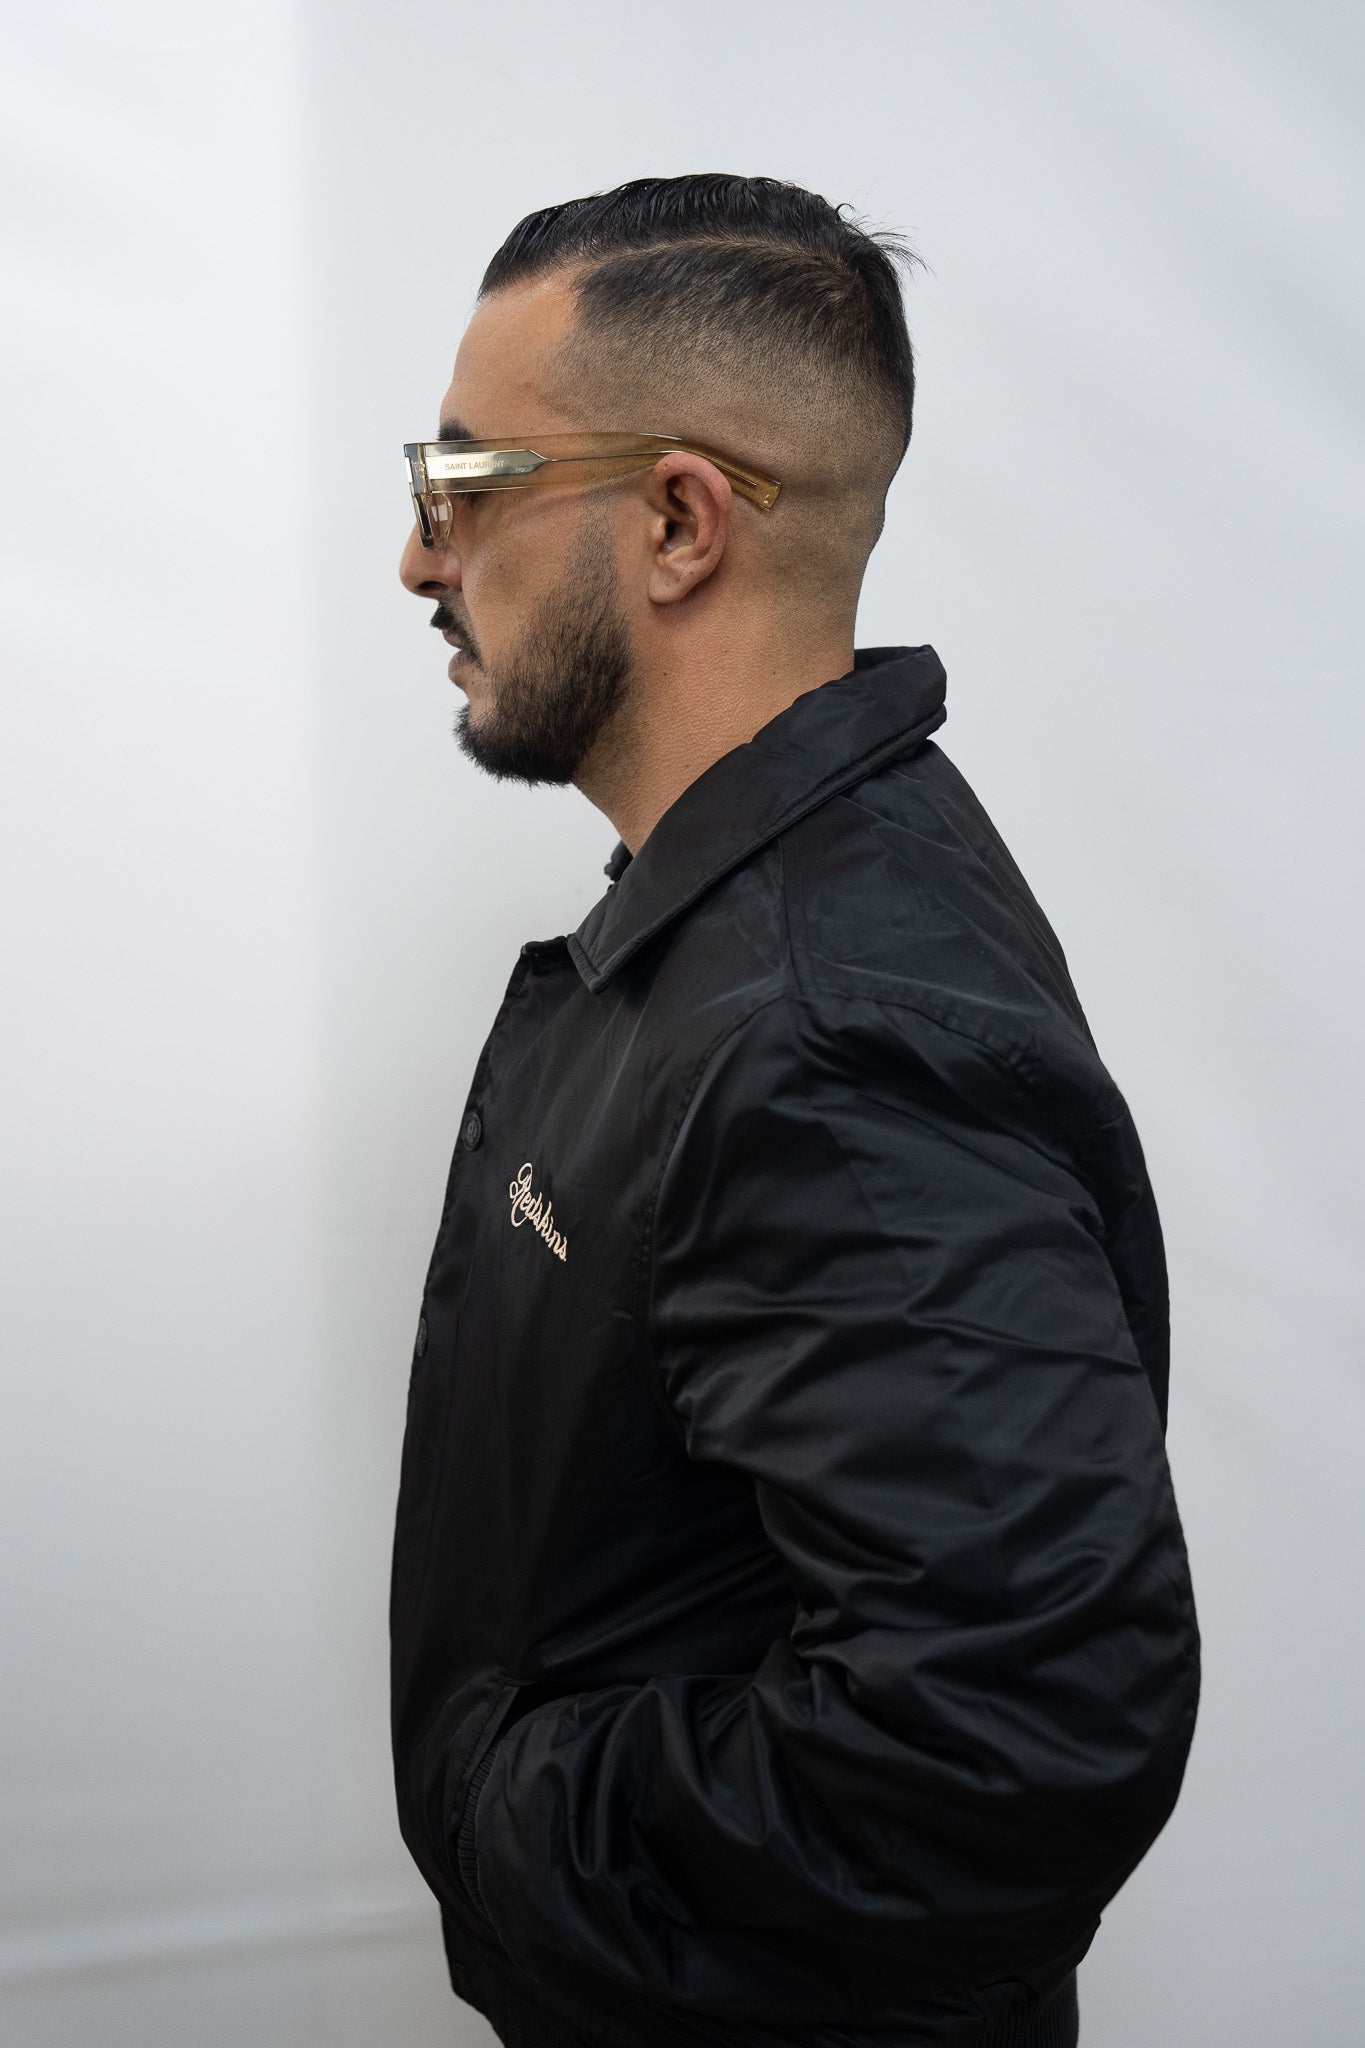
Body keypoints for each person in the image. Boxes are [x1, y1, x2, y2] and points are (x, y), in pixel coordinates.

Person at [390, 174, 1199, 2048]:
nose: (419, 561)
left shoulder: (824, 1022)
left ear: (677, 522)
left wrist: (513, 1820)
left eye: (461, 482)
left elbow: (1012, 1741)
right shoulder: (757, 911)